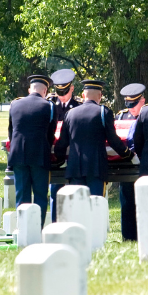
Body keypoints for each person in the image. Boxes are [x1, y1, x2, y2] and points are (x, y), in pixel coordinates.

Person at [55, 80, 133, 196]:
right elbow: (113, 140)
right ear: (100, 96)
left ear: (83, 95)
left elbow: (62, 142)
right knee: (95, 206)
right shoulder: (103, 112)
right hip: (96, 168)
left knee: (76, 208)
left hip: (75, 168)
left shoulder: (70, 114)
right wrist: (128, 154)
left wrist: (59, 159)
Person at [8, 75, 57, 228]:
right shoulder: (49, 106)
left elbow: (11, 131)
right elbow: (51, 133)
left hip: (18, 154)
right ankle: (37, 229)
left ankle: (23, 229)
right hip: (40, 155)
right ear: (45, 91)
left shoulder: (14, 104)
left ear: (30, 89)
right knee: (40, 196)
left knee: (22, 196)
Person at [48, 68, 83, 223]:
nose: (62, 96)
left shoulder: (78, 106)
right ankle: (56, 223)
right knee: (55, 190)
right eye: (59, 92)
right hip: (56, 154)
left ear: (72, 88)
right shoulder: (49, 104)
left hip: (75, 154)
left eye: (65, 92)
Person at [115, 83, 146, 241]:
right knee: (127, 202)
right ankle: (128, 237)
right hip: (127, 165)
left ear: (142, 101)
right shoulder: (121, 116)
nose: (132, 108)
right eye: (129, 104)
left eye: (134, 104)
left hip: (145, 164)